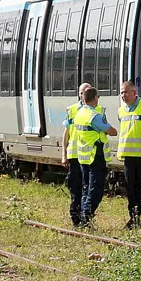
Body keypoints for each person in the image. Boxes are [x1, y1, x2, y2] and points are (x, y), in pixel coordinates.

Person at [72, 86, 117, 226]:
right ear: (96, 98)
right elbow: (112, 131)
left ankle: (82, 216)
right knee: (95, 190)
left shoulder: (79, 114)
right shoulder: (94, 116)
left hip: (83, 157)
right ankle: (86, 216)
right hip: (95, 156)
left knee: (86, 188)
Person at [117, 80, 141, 228]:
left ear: (134, 93)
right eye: (121, 92)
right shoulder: (121, 110)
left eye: (125, 92)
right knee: (131, 188)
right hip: (128, 156)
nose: (123, 95)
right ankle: (134, 217)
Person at [61, 83, 90, 225]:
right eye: (82, 92)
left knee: (87, 187)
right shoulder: (72, 110)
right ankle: (75, 217)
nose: (85, 94)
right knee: (75, 187)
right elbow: (66, 134)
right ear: (79, 94)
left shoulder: (96, 109)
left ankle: (85, 217)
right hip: (75, 155)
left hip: (89, 155)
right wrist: (63, 155)